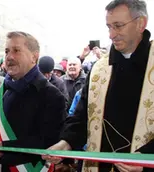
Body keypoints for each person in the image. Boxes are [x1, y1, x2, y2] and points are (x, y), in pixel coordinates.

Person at [43, 0, 154, 172]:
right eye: (109, 27)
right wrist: (66, 143)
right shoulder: (99, 69)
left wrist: (146, 157)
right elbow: (82, 117)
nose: (111, 34)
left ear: (141, 23)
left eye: (118, 26)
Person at [0, 31, 66, 172]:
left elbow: (48, 141)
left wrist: (4, 149)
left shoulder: (51, 94)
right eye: (6, 51)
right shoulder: (2, 89)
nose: (9, 57)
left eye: (16, 51)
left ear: (34, 57)